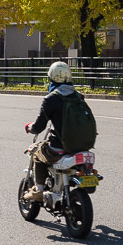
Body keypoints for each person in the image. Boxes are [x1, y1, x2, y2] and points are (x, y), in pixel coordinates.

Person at [22, 60, 77, 203]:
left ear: (51, 78)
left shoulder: (51, 99)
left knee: (37, 153)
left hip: (59, 146)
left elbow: (39, 126)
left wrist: (29, 127)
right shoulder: (78, 96)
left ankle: (39, 190)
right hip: (80, 145)